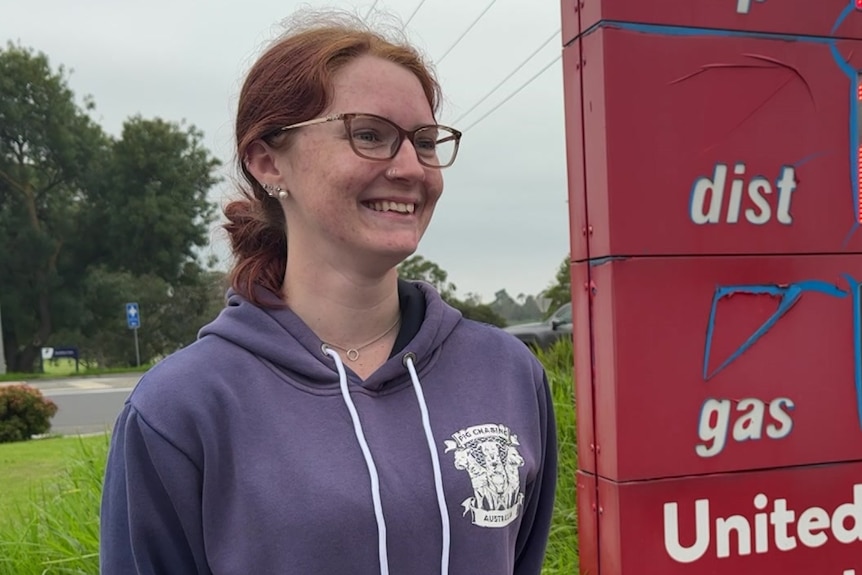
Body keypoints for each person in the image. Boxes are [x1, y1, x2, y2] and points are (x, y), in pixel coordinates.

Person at [100, 9, 557, 575]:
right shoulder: (181, 408)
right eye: (369, 135)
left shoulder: (507, 374)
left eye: (424, 141)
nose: (411, 168)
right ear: (268, 161)